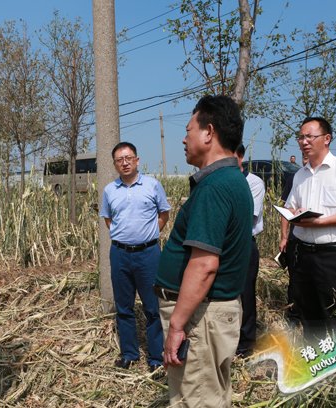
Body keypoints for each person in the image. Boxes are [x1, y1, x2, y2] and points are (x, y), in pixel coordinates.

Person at [154, 95, 253, 407]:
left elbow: (205, 265)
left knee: (196, 400)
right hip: (209, 316)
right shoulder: (231, 180)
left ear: (209, 132)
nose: (184, 139)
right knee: (210, 395)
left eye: (188, 131)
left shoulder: (215, 187)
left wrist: (177, 326)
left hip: (201, 319)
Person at [283, 117, 336, 339]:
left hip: (332, 255)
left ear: (327, 138)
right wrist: (295, 214)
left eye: (310, 136)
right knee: (309, 312)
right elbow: (290, 207)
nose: (304, 142)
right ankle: (316, 354)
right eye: (301, 137)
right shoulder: (300, 175)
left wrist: (320, 222)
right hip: (302, 253)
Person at [99, 141, 171, 373]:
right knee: (124, 307)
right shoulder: (110, 190)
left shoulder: (152, 185)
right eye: (119, 160)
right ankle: (129, 354)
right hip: (120, 254)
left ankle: (156, 358)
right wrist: (123, 236)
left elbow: (164, 213)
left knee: (153, 307)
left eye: (128, 158)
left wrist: (149, 235)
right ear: (115, 164)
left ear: (137, 160)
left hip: (148, 254)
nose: (125, 163)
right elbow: (108, 219)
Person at [234, 144, 265, 358]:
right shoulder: (218, 180)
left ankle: (246, 344)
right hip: (223, 246)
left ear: (240, 156)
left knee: (245, 294)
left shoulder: (253, 182)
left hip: (244, 243)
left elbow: (247, 217)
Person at [280, 152, 308, 325]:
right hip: (295, 237)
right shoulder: (295, 177)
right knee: (295, 277)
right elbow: (286, 210)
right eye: (304, 157)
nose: (306, 159)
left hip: (316, 241)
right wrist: (284, 237)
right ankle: (294, 315)